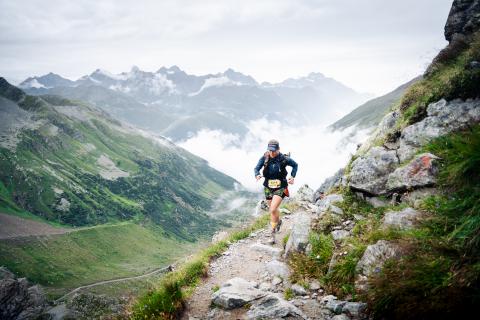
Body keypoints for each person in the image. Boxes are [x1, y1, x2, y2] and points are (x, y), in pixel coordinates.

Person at [254, 139, 298, 241]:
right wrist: (257, 175)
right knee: (273, 210)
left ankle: (272, 234)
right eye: (270, 150)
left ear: (278, 149)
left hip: (281, 186)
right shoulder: (265, 157)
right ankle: (278, 222)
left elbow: (295, 165)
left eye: (274, 150)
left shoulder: (284, 159)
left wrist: (292, 176)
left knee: (272, 209)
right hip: (268, 187)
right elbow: (256, 168)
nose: (272, 152)